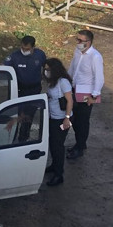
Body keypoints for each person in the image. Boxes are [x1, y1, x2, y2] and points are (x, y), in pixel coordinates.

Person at [66, 30, 104, 160]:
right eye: (77, 40)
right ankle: (80, 142)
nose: (78, 43)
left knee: (82, 121)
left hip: (87, 93)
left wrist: (94, 96)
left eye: (81, 41)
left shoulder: (95, 57)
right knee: (74, 119)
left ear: (89, 42)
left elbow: (99, 78)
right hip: (75, 89)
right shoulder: (77, 52)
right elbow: (72, 68)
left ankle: (80, 147)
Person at [43, 58, 74, 186]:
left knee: (58, 146)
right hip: (53, 117)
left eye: (48, 70)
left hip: (62, 119)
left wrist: (67, 118)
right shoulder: (53, 82)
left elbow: (70, 101)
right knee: (53, 143)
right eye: (45, 70)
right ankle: (54, 165)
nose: (46, 72)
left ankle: (58, 174)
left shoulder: (63, 82)